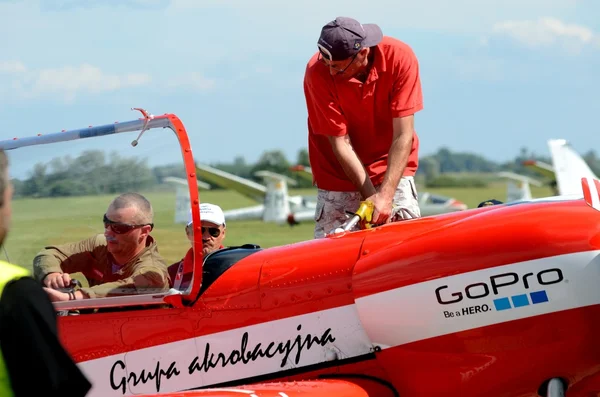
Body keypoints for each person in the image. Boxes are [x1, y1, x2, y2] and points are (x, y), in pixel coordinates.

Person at [303, 16, 424, 238]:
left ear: (363, 53)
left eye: (337, 67)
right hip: (337, 175)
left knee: (407, 248)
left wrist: (385, 197)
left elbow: (403, 134)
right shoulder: (316, 72)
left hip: (392, 168)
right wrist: (371, 197)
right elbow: (340, 142)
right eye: (327, 64)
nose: (331, 72)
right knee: (332, 258)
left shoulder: (400, 57)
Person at [0, 149, 91, 396]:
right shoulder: (14, 291)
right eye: (108, 223)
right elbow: (54, 387)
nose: (112, 232)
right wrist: (56, 278)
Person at [33, 192, 170, 302]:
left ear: (144, 231)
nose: (108, 232)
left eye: (119, 227)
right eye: (106, 222)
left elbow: (131, 286)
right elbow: (49, 254)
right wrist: (52, 275)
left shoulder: (153, 270)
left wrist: (74, 298)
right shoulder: (99, 245)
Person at [168, 203, 227, 290]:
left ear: (223, 233)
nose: (205, 237)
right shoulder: (170, 275)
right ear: (188, 232)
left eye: (214, 231)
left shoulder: (237, 269)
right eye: (199, 231)